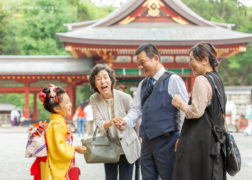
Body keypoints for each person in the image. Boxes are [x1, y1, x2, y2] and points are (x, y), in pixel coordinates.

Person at [114, 44, 188, 180]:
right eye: (138, 65)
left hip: (169, 140)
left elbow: (185, 112)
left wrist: (182, 137)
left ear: (155, 58)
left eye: (142, 63)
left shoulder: (173, 80)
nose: (140, 67)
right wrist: (126, 121)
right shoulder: (143, 84)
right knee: (148, 177)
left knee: (170, 177)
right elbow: (136, 110)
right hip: (147, 142)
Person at [171, 42, 227, 180]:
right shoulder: (217, 80)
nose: (189, 64)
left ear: (205, 60)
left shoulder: (201, 80)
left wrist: (180, 104)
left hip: (199, 143)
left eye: (192, 60)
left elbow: (196, 111)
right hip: (215, 141)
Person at [89, 64, 141, 180]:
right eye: (98, 79)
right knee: (110, 178)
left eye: (105, 77)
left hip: (127, 144)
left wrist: (139, 136)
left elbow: (136, 117)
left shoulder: (125, 97)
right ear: (94, 83)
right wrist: (111, 122)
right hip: (109, 145)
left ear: (111, 80)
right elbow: (98, 122)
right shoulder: (94, 99)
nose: (103, 81)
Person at [31, 84, 86, 179]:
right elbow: (58, 148)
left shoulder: (57, 123)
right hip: (53, 166)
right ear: (56, 108)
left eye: (69, 102)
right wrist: (74, 148)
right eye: (66, 103)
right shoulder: (56, 125)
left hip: (55, 164)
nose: (70, 105)